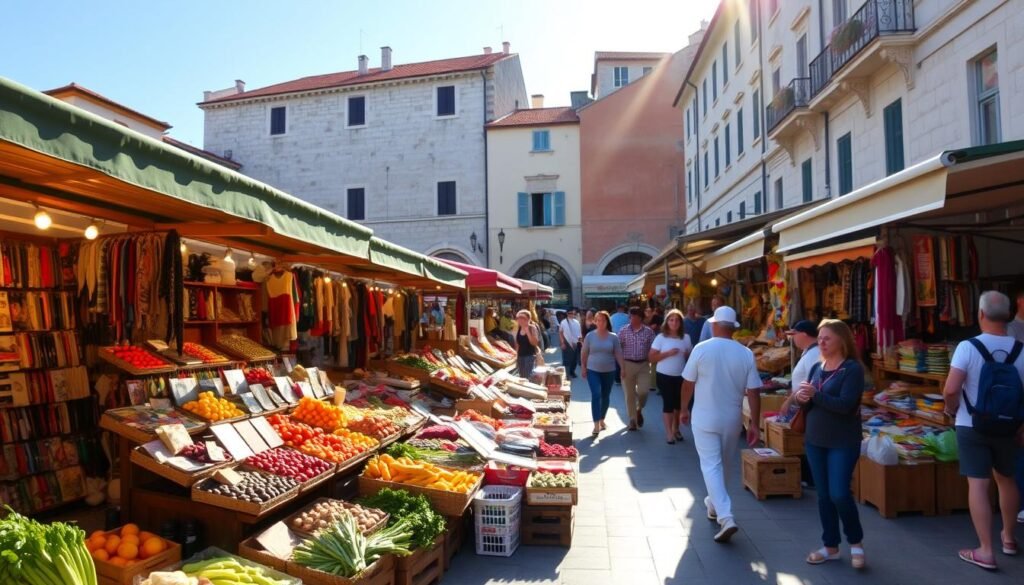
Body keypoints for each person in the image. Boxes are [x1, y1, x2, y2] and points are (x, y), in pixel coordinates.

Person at [942, 291, 1023, 571]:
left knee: (978, 484)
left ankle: (986, 550)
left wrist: (951, 409)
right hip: (1010, 425)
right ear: (1009, 315)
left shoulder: (968, 347)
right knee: (1007, 479)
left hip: (972, 423)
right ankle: (1009, 538)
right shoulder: (1022, 349)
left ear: (980, 314)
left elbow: (951, 388)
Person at [681, 305, 761, 543]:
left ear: (714, 325)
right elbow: (754, 392)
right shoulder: (745, 353)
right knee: (723, 465)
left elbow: (687, 383)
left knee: (711, 466)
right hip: (732, 419)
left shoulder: (701, 348)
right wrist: (755, 423)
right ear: (734, 328)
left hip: (705, 416)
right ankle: (713, 505)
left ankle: (726, 516)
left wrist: (683, 408)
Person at [791, 319, 866, 569]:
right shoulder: (817, 368)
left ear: (841, 341)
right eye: (820, 338)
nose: (821, 342)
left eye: (826, 338)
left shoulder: (852, 369)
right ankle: (830, 546)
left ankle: (855, 542)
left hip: (842, 441)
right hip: (815, 440)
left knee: (839, 493)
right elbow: (810, 404)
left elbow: (845, 406)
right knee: (823, 495)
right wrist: (802, 399)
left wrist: (814, 395)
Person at [649, 309, 692, 444]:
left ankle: (676, 429)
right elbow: (651, 357)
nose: (674, 323)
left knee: (678, 405)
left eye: (677, 320)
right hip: (664, 376)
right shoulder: (661, 338)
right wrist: (667, 354)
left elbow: (691, 355)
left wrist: (687, 355)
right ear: (667, 322)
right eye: (671, 320)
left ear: (681, 323)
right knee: (668, 404)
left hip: (681, 376)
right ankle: (669, 433)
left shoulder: (686, 338)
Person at [581, 311, 624, 436]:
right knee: (596, 394)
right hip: (592, 370)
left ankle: (602, 419)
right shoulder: (590, 336)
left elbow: (618, 353)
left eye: (603, 320)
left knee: (605, 396)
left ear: (607, 322)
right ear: (595, 321)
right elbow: (584, 352)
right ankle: (595, 425)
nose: (600, 323)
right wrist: (583, 367)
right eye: (598, 320)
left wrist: (623, 368)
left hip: (609, 370)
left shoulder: (613, 337)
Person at [619, 306, 656, 431]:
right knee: (629, 394)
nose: (632, 319)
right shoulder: (623, 331)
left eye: (634, 316)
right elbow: (618, 349)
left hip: (643, 365)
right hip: (627, 364)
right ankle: (632, 420)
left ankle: (639, 409)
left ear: (640, 318)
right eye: (631, 316)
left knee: (643, 391)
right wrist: (620, 366)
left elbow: (654, 348)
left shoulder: (649, 332)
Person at [514, 310, 541, 378]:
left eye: (523, 318)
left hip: (529, 356)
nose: (520, 320)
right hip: (520, 356)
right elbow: (518, 344)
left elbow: (534, 343)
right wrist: (516, 356)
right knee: (522, 376)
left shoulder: (532, 328)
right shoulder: (519, 328)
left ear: (528, 319)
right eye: (519, 318)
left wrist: (527, 331)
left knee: (528, 376)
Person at [559, 308, 583, 378]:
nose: (572, 315)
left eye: (573, 313)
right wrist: (562, 343)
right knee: (566, 359)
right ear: (567, 314)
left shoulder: (577, 322)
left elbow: (579, 333)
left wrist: (581, 342)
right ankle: (567, 374)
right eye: (570, 313)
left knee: (574, 359)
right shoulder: (563, 322)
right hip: (566, 342)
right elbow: (560, 333)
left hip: (575, 342)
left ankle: (572, 372)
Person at [610, 305, 630, 384]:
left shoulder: (612, 317)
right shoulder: (628, 317)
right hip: (626, 339)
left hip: (615, 339)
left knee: (616, 358)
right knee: (625, 357)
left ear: (617, 309)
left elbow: (610, 327)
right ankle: (624, 376)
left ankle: (617, 378)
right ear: (623, 309)